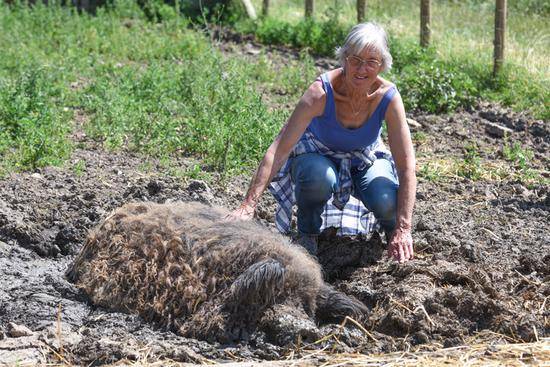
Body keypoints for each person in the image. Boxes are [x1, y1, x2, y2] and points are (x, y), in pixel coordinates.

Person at [228, 22, 416, 263]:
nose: (361, 69)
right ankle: (308, 233)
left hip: (363, 157)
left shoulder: (388, 98)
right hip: (317, 154)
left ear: (382, 64)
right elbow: (279, 149)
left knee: (385, 198)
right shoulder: (321, 93)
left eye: (371, 61)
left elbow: (406, 165)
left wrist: (404, 226)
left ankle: (394, 237)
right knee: (319, 177)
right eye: (355, 59)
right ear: (344, 58)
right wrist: (248, 205)